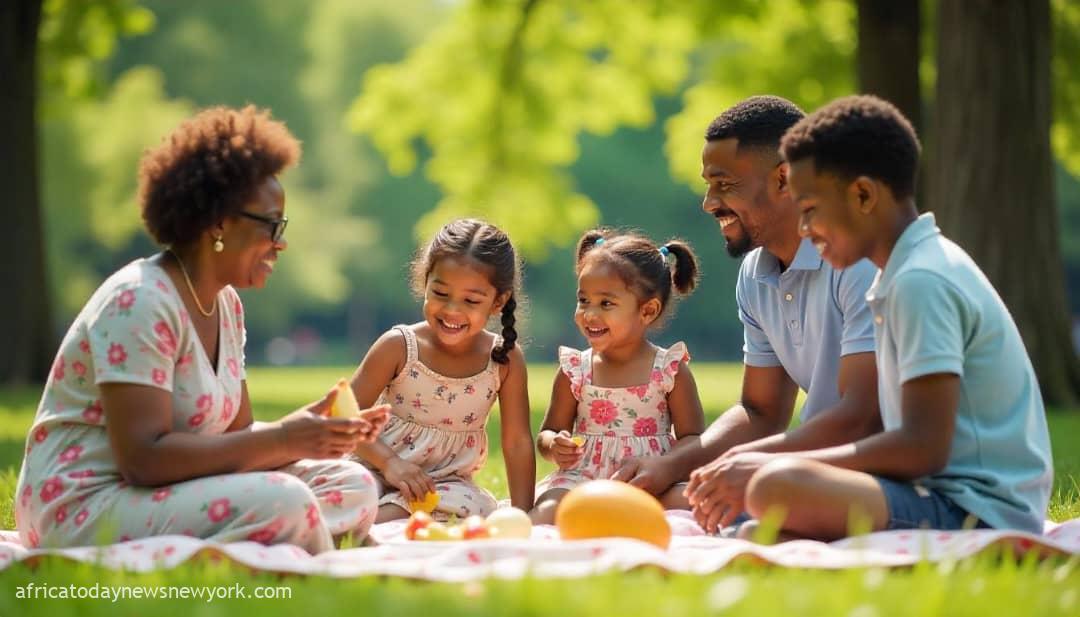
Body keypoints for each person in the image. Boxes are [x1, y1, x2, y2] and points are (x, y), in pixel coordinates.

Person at [14, 106, 390, 554]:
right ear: (217, 222)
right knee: (285, 502)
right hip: (86, 503)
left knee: (351, 483)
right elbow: (143, 460)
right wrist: (289, 439)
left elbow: (239, 438)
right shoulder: (139, 302)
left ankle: (275, 536)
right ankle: (287, 540)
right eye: (272, 225)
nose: (281, 242)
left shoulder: (225, 305)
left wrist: (313, 427)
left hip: (164, 491)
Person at [726, 94, 1053, 539]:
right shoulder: (904, 272)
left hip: (975, 509)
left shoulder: (922, 280)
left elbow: (923, 447)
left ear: (862, 194)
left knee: (774, 486)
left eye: (810, 211)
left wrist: (777, 463)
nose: (803, 230)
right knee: (757, 520)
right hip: (931, 493)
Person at [614, 96, 882, 533]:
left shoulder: (854, 262)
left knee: (739, 493)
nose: (708, 202)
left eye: (724, 184)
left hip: (871, 464)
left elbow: (862, 418)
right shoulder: (755, 276)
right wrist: (669, 464)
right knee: (674, 495)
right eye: (708, 184)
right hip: (814, 469)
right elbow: (760, 410)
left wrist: (743, 466)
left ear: (783, 179)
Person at [348, 219, 535, 522]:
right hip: (373, 466)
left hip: (444, 483)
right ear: (425, 283)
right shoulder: (399, 346)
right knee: (346, 486)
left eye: (471, 300)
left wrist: (525, 516)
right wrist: (391, 463)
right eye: (440, 294)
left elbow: (517, 443)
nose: (451, 310)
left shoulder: (504, 360)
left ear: (498, 301)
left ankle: (380, 518)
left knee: (469, 504)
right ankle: (377, 516)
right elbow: (343, 416)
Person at [531, 229, 706, 524]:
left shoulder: (669, 369)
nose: (589, 313)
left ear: (647, 311)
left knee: (690, 503)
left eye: (606, 303)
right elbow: (547, 433)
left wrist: (662, 465)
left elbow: (694, 439)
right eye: (583, 300)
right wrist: (554, 445)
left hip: (647, 481)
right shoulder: (575, 369)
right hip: (583, 480)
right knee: (548, 510)